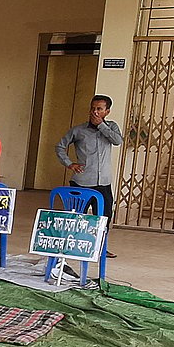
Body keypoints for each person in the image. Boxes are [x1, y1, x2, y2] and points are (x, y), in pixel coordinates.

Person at [55, 94, 122, 256]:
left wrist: (101, 126)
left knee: (104, 217)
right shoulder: (78, 130)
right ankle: (70, 247)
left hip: (103, 183)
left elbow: (117, 141)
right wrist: (70, 164)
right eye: (93, 108)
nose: (95, 112)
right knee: (76, 217)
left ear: (107, 112)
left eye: (99, 109)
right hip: (82, 182)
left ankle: (100, 248)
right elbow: (60, 147)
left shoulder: (111, 127)